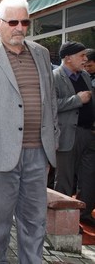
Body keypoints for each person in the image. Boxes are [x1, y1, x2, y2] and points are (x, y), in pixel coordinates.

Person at [0, 0, 58, 263]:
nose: (19, 28)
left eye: (24, 22)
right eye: (13, 22)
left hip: (37, 154)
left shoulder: (40, 53)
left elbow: (50, 101)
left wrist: (52, 145)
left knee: (34, 220)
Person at [53, 42, 95, 228]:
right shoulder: (54, 77)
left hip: (89, 134)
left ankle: (84, 214)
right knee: (65, 179)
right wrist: (77, 100)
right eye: (82, 55)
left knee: (88, 178)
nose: (85, 59)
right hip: (68, 135)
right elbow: (52, 105)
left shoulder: (85, 75)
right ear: (68, 58)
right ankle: (62, 220)